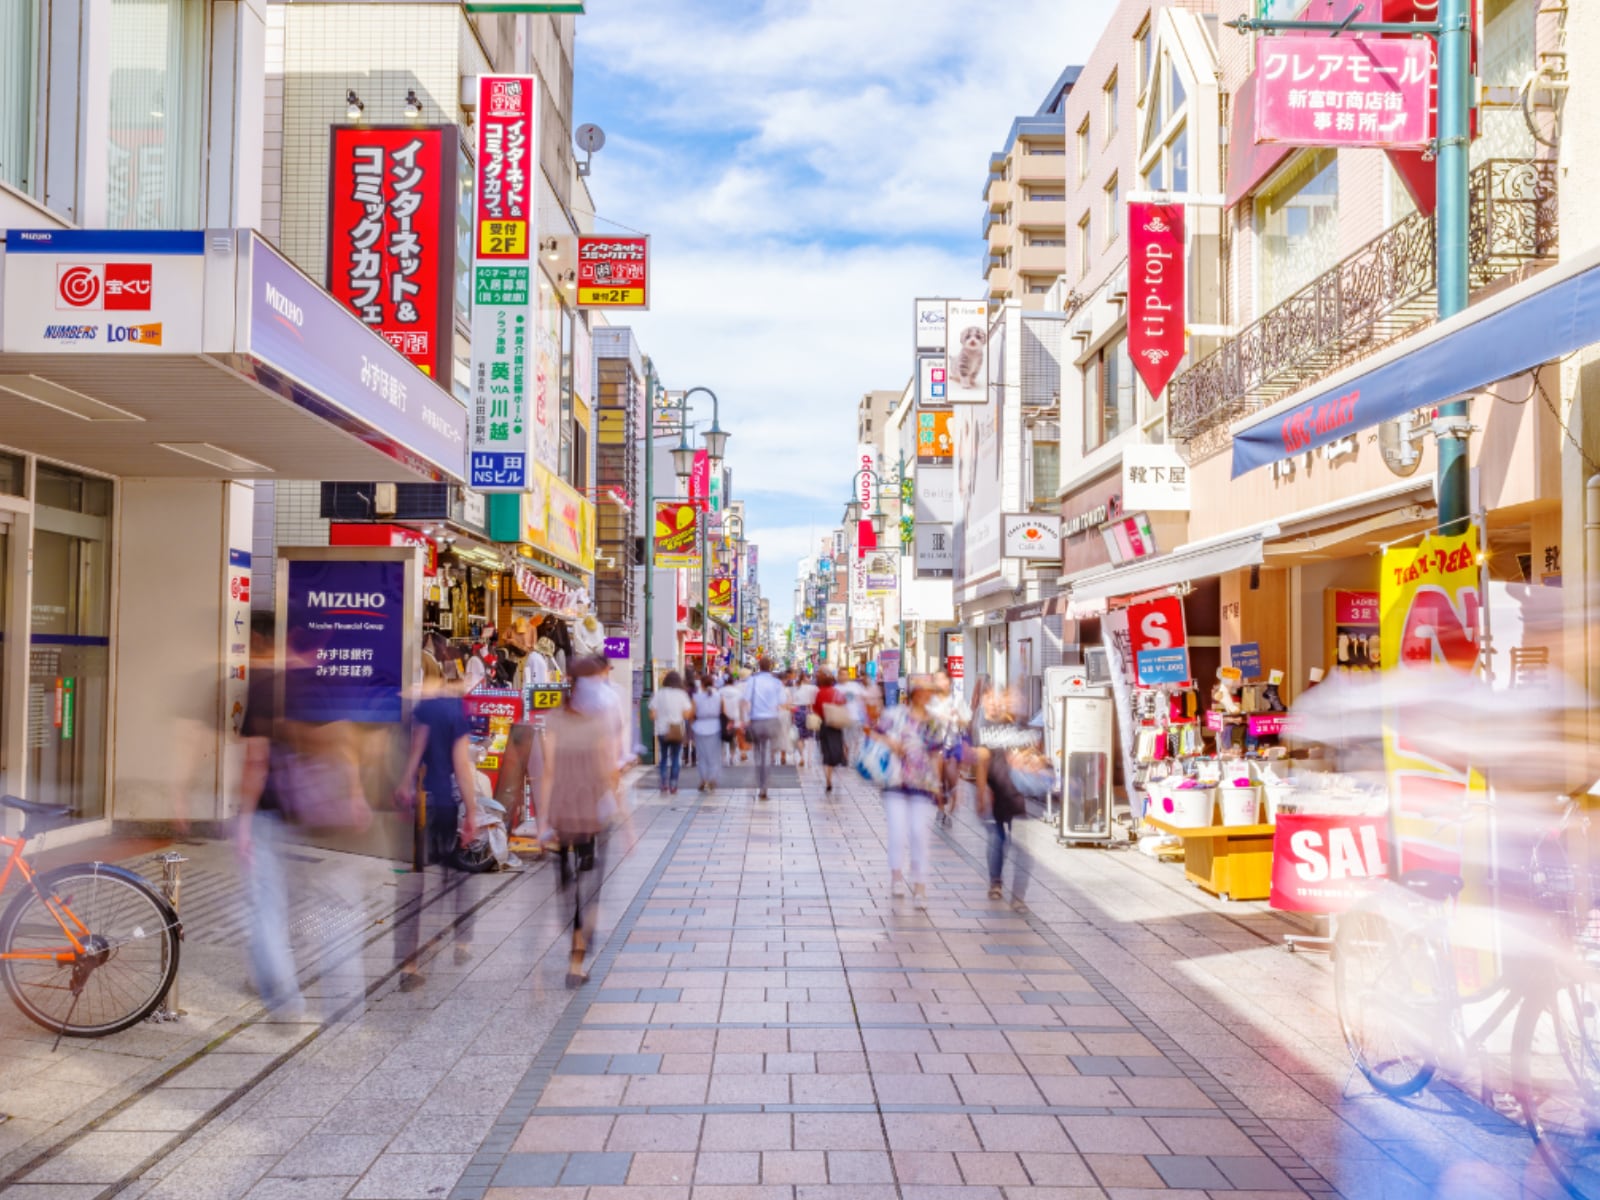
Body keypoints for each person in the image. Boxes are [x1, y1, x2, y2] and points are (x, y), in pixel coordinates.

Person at [393, 649, 481, 991]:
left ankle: (412, 963)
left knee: (416, 881)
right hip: (444, 804)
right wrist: (473, 811)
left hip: (418, 804)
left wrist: (403, 785)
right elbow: (462, 764)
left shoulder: (419, 709)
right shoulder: (451, 709)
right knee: (455, 874)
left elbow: (414, 749)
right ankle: (461, 940)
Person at [541, 656, 620, 986]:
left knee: (567, 883)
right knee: (588, 886)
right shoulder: (598, 721)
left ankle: (574, 937)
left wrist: (543, 820)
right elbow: (608, 770)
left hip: (561, 813)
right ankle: (577, 955)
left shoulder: (554, 719)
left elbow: (547, 772)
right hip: (590, 813)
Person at [875, 675, 946, 907]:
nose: (927, 695)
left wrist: (938, 785)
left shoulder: (933, 722)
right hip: (895, 780)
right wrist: (891, 743)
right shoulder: (894, 714)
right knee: (897, 832)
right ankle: (897, 876)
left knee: (919, 833)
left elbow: (936, 755)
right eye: (924, 691)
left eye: (930, 691)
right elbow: (874, 733)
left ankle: (920, 886)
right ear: (914, 692)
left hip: (922, 783)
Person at [973, 685, 1036, 910]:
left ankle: (1018, 896)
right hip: (995, 792)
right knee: (998, 840)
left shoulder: (1015, 725)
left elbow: (1031, 751)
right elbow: (981, 761)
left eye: (997, 699)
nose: (995, 704)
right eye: (990, 699)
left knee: (1022, 848)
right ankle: (996, 883)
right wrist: (981, 792)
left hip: (1015, 794)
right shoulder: (981, 728)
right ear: (983, 703)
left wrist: (1028, 760)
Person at [744, 657, 788, 800]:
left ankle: (759, 780)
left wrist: (744, 719)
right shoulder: (776, 683)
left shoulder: (753, 680)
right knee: (768, 753)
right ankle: (764, 786)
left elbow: (745, 700)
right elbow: (782, 701)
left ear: (759, 666)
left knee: (758, 754)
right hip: (771, 720)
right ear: (770, 666)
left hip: (756, 720)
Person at [649, 671, 692, 795]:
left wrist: (662, 716)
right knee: (675, 758)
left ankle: (663, 783)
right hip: (677, 729)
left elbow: (652, 715)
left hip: (662, 729)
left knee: (663, 758)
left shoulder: (659, 694)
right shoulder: (682, 694)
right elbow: (686, 714)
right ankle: (673, 784)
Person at [812, 669, 849, 794]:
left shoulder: (819, 693)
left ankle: (828, 779)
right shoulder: (837, 692)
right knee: (835, 749)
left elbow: (815, 708)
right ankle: (836, 765)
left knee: (825, 752)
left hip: (823, 725)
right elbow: (844, 704)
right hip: (836, 725)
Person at [691, 674, 724, 792]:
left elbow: (692, 713)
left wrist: (691, 724)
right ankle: (712, 778)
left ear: (702, 684)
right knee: (714, 755)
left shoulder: (696, 697)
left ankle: (703, 778)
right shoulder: (719, 696)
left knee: (702, 755)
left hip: (700, 727)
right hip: (715, 726)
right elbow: (723, 711)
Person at [791, 672, 819, 769]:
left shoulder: (796, 689)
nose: (810, 679)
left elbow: (793, 703)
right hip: (809, 712)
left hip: (798, 712)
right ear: (805, 678)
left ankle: (802, 756)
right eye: (808, 677)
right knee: (810, 737)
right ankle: (809, 759)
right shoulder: (813, 688)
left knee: (800, 737)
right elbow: (815, 701)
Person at [719, 672, 746, 765]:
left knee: (722, 737)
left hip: (723, 717)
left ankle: (723, 757)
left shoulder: (720, 691)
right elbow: (742, 706)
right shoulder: (738, 692)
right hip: (735, 716)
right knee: (733, 737)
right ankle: (732, 756)